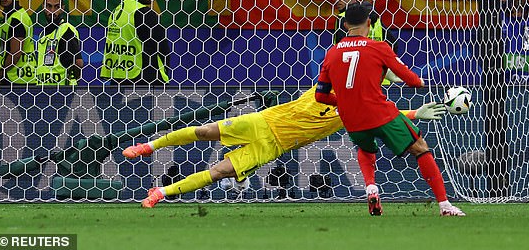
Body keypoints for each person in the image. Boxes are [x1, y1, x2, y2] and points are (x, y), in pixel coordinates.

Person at [122, 84, 447, 208]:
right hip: (261, 121)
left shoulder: (352, 112)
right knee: (205, 131)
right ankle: (150, 145)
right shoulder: (319, 90)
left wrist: (416, 112)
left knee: (217, 171)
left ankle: (161, 194)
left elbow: (388, 114)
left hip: (272, 146)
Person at [315, 2, 465, 216]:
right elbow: (410, 80)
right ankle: (445, 205)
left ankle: (371, 188)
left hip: (352, 119)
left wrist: (345, 102)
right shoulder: (379, 47)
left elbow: (320, 96)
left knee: (366, 150)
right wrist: (422, 82)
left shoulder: (331, 54)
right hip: (379, 113)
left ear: (345, 24)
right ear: (369, 22)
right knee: (420, 147)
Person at [100, 0, 171, 86]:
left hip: (119, 78)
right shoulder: (144, 13)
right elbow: (163, 48)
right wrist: (164, 73)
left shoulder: (115, 11)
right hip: (145, 80)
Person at [0, 0, 36, 85]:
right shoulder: (10, 17)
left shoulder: (16, 19)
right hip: (18, 76)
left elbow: (16, 53)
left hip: (15, 78)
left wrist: (0, 75)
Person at [35, 0, 83, 85]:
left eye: (57, 7)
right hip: (42, 91)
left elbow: (78, 63)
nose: (52, 11)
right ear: (43, 7)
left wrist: (69, 83)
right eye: (49, 6)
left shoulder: (66, 30)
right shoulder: (42, 34)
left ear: (62, 8)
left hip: (62, 92)